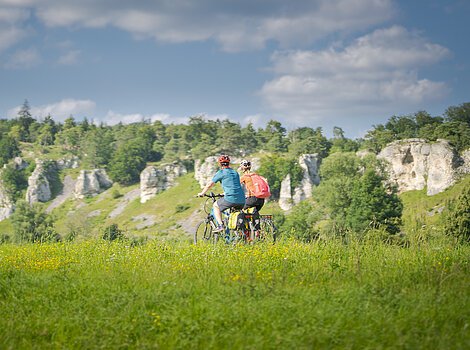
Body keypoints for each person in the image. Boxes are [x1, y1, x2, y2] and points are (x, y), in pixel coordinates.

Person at [197, 155, 245, 232]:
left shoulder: (221, 172)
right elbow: (234, 185)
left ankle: (220, 226)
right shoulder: (235, 173)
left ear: (220, 164)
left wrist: (202, 193)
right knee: (232, 216)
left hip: (231, 198)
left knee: (216, 206)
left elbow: (210, 184)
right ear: (229, 163)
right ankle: (235, 234)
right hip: (242, 199)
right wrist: (225, 193)